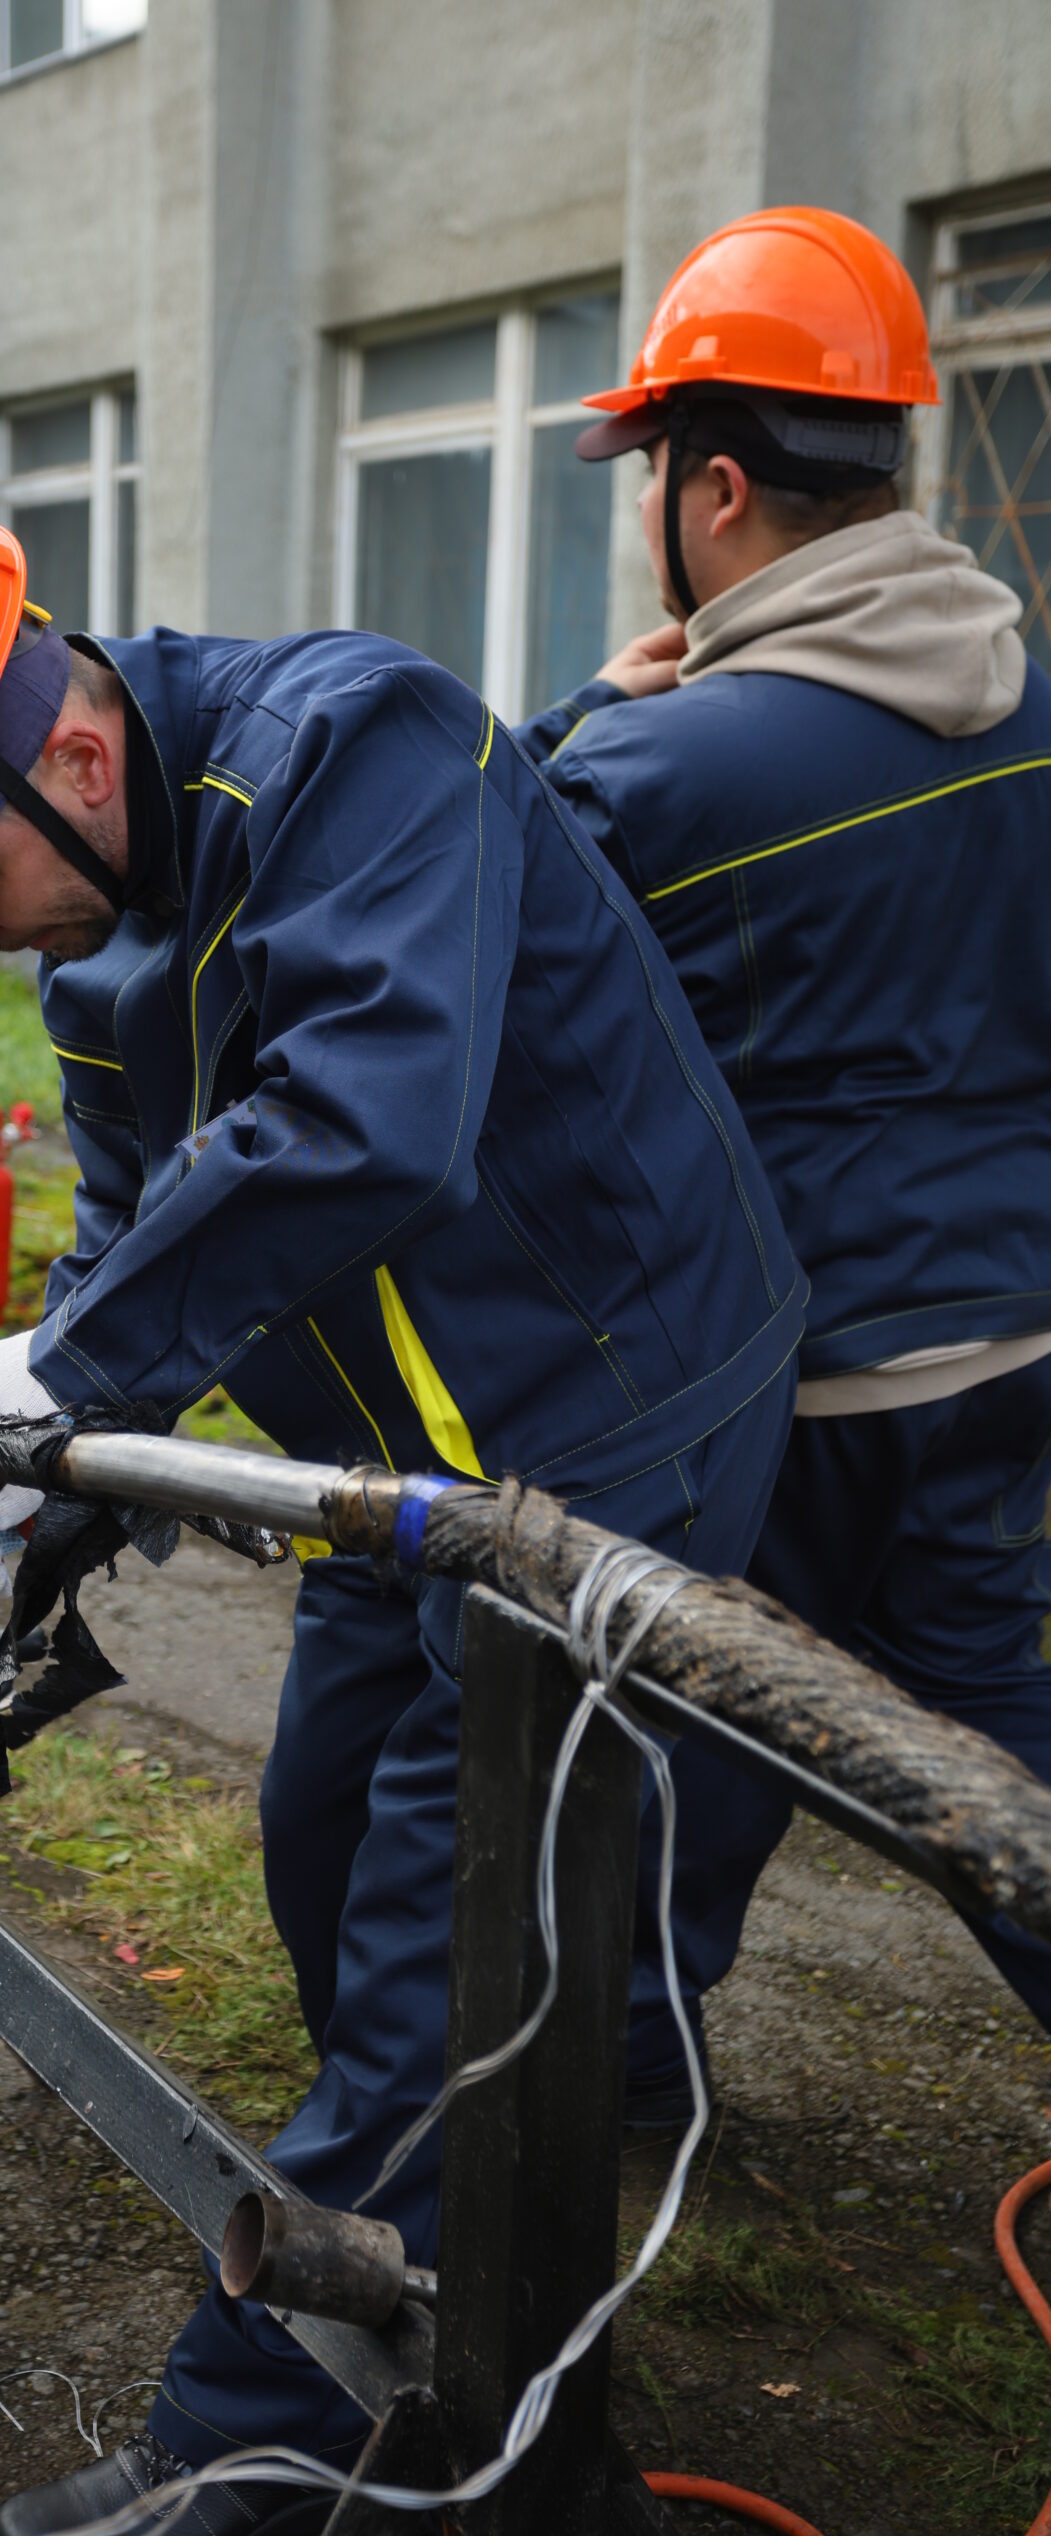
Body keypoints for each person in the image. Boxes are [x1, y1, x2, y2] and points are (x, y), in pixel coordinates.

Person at [0, 491, 805, 2536]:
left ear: (78, 756)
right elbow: (141, 1210)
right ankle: (484, 2195)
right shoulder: (101, 919)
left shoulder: (357, 748)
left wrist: (80, 1358)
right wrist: (44, 1454)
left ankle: (272, 2454)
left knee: (442, 1932)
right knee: (323, 1825)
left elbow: (364, 1116)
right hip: (396, 1464)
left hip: (608, 1407)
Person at [518, 205, 1051, 2124]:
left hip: (776, 1401)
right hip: (1006, 1358)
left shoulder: (655, 775)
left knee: (664, 1789)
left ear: (716, 487)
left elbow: (466, 925)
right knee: (1006, 1781)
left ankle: (608, 2153)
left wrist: (595, 705)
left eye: (650, 469)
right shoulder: (1035, 709)